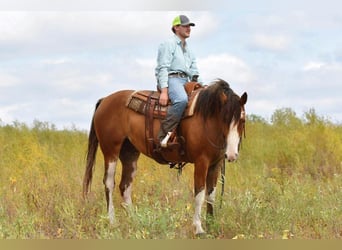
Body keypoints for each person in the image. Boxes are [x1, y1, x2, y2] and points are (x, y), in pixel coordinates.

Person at [155, 15, 202, 148]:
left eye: (190, 26)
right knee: (181, 100)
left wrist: (204, 88)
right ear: (176, 28)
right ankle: (163, 136)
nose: (189, 28)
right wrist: (164, 91)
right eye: (185, 26)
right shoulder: (168, 44)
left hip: (186, 81)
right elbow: (162, 67)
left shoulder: (189, 50)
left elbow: (194, 71)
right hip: (171, 78)